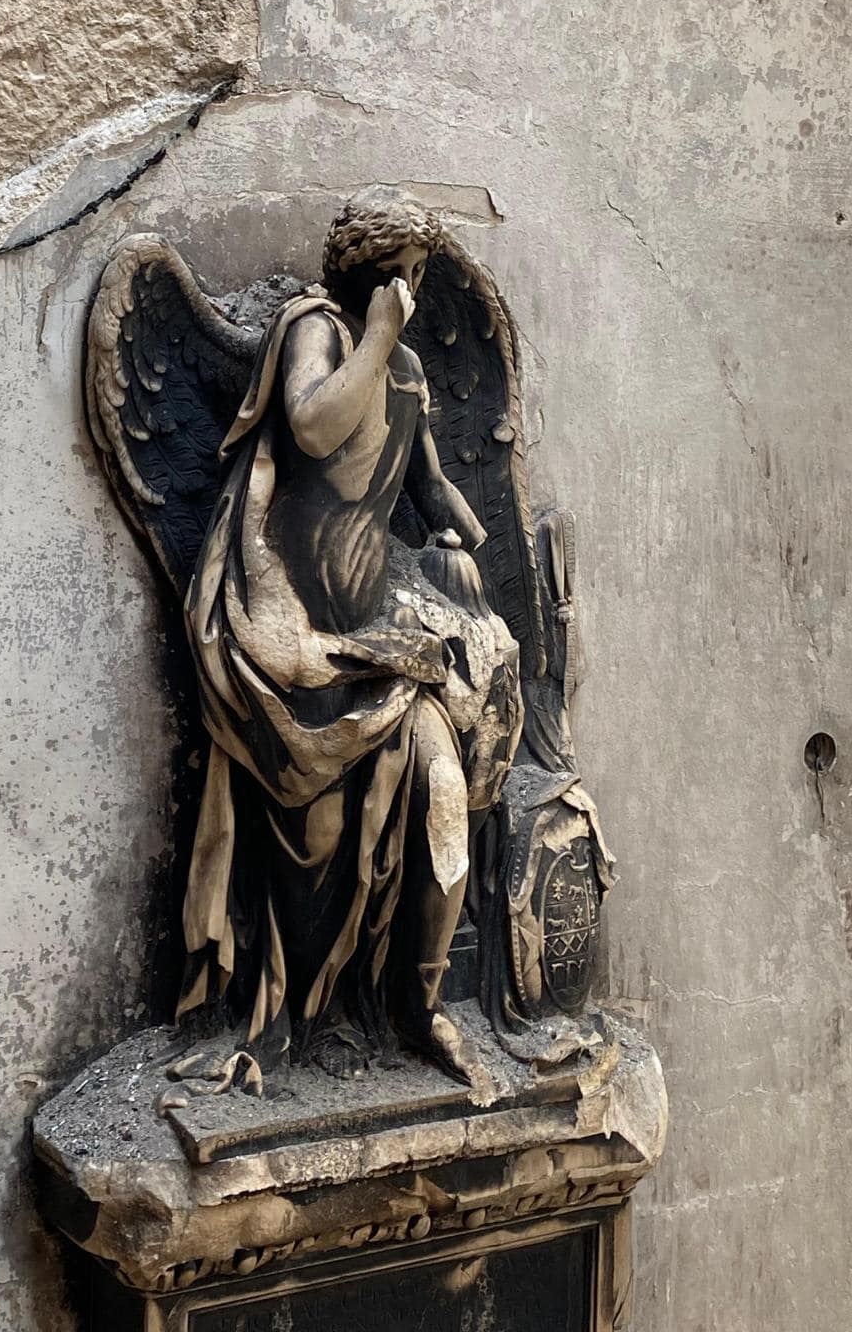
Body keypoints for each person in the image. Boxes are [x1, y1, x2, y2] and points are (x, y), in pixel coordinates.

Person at [180, 191, 520, 1081]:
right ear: (377, 276)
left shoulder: (403, 369)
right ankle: (308, 1016)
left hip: (383, 630)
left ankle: (422, 1005)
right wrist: (373, 334)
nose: (414, 294)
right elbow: (315, 424)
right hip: (294, 630)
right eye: (407, 276)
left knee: (444, 795)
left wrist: (465, 538)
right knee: (321, 836)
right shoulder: (317, 332)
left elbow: (426, 483)